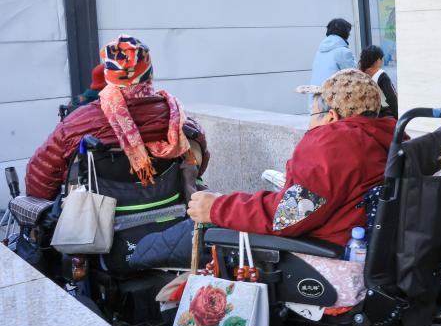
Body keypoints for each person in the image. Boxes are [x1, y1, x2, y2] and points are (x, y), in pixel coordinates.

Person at [187, 69, 394, 246]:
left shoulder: (334, 146)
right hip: (365, 250)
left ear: (331, 117)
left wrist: (217, 207)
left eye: (312, 115)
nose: (309, 125)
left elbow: (287, 216)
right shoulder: (384, 139)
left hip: (324, 260)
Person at [26, 35, 209, 200]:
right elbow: (198, 163)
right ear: (149, 73)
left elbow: (39, 181)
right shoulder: (179, 120)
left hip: (99, 226)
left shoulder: (76, 124)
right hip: (169, 216)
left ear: (109, 77)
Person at [309, 18, 357, 87]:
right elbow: (355, 77)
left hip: (315, 96)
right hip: (333, 96)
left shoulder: (319, 52)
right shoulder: (343, 52)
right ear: (345, 33)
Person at [358, 45, 398, 119]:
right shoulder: (381, 75)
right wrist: (398, 118)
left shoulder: (360, 75)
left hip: (366, 116)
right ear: (377, 60)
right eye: (381, 59)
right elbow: (392, 99)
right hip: (384, 115)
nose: (382, 61)